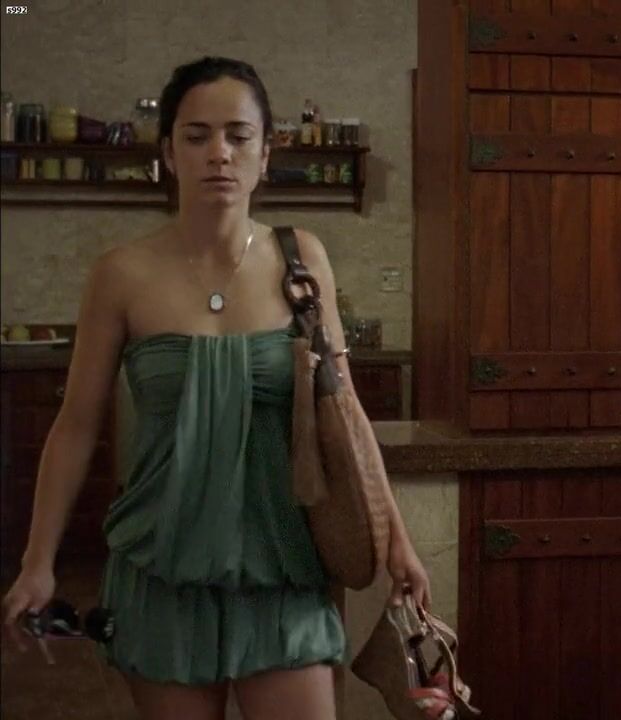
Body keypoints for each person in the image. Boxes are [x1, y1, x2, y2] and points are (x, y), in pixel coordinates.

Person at [1, 57, 446, 720]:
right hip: (162, 566)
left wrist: (397, 542)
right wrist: (38, 561)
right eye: (197, 135)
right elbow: (76, 425)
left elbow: (346, 415)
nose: (219, 153)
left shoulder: (302, 258)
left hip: (282, 566)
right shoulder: (121, 274)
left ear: (265, 155)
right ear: (168, 153)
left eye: (239, 136)